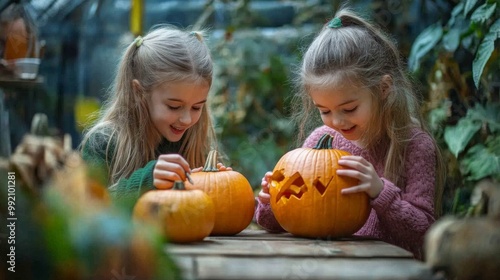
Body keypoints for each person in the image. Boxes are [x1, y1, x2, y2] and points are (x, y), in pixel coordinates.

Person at [255, 8, 445, 260]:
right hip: (327, 263)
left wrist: (381, 193)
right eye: (324, 110)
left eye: (349, 109)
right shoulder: (321, 141)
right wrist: (272, 201)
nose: (336, 121)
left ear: (383, 89)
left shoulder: (415, 146)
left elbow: (424, 233)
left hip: (389, 270)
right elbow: (285, 221)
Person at [80, 25, 227, 202]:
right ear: (139, 92)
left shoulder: (196, 142)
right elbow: (83, 212)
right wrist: (145, 182)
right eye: (174, 106)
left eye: (197, 107)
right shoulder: (102, 143)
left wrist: (218, 186)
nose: (187, 119)